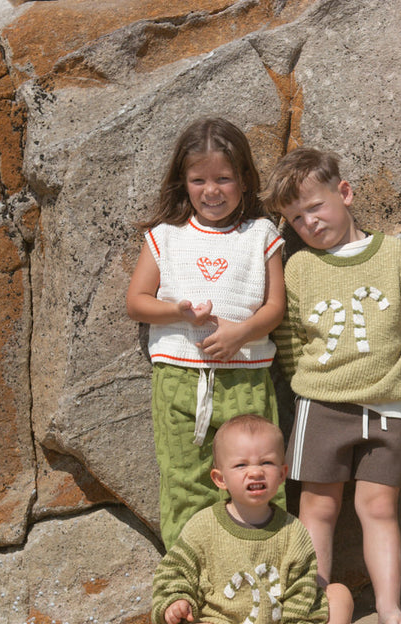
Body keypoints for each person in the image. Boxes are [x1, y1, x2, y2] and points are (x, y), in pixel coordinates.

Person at [263, 148, 401, 624]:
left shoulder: (396, 256)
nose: (309, 223)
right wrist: (311, 382)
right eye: (296, 218)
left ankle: (388, 607)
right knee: (316, 508)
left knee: (379, 508)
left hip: (388, 406)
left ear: (344, 193)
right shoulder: (298, 269)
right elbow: (288, 337)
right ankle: (317, 607)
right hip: (320, 405)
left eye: (315, 207)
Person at [126, 117, 286, 549]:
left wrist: (241, 333)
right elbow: (136, 301)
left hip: (246, 378)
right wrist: (175, 311)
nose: (211, 190)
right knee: (185, 482)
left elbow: (275, 307)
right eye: (198, 180)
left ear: (244, 181)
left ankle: (265, 574)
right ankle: (189, 585)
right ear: (183, 182)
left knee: (260, 482)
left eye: (224, 179)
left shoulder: (261, 235)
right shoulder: (165, 237)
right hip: (179, 379)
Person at [152, 414, 353, 624]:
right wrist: (176, 600)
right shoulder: (203, 525)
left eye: (266, 462)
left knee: (338, 593)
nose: (255, 471)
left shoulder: (293, 530)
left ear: (282, 474)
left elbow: (301, 589)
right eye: (241, 465)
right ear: (220, 478)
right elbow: (175, 570)